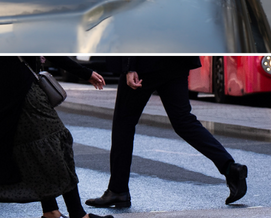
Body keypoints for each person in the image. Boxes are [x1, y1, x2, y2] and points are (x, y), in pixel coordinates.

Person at [0, 56, 109, 218]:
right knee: (51, 146)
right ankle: (73, 214)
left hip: (12, 86)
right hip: (19, 90)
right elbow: (0, 46)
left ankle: (56, 212)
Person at [86, 56, 248, 209]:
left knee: (124, 123)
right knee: (184, 121)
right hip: (176, 61)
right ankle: (230, 167)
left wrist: (130, 67)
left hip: (145, 63)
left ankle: (117, 190)